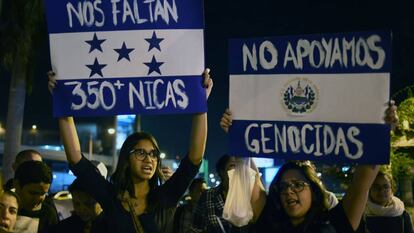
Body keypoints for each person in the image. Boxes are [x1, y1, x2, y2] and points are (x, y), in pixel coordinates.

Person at [48, 69, 213, 233]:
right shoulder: (111, 197)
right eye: (141, 153)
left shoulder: (166, 196)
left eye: (153, 154)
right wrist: (62, 104)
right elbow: (76, 159)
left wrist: (200, 104)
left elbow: (194, 159)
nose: (149, 159)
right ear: (126, 158)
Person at [220, 109, 386, 233]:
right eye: (283, 187)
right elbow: (249, 171)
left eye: (298, 184)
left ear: (314, 190)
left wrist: (381, 127)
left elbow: (361, 183)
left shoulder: (335, 223)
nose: (289, 191)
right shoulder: (270, 221)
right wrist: (237, 133)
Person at [190, 154, 266, 233]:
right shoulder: (208, 196)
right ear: (222, 172)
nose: (238, 170)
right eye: (233, 165)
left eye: (241, 166)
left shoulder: (252, 197)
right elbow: (196, 229)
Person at [13, 160, 59, 233]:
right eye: (33, 193)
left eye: (42, 194)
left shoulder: (48, 214)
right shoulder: (4, 206)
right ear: (16, 185)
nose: (38, 199)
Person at [364, 169, 413, 233]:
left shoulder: (402, 214)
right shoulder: (361, 214)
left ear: (392, 190)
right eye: (376, 186)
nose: (381, 191)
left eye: (385, 187)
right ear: (370, 189)